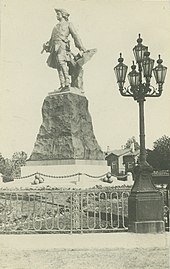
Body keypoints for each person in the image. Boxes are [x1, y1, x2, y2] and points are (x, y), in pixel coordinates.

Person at [42, 8, 86, 91]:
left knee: (62, 63)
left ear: (63, 14)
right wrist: (46, 45)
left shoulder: (68, 24)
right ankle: (62, 85)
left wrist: (81, 47)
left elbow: (75, 36)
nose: (57, 16)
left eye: (58, 14)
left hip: (63, 46)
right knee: (59, 65)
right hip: (56, 48)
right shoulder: (55, 27)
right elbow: (51, 40)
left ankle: (67, 83)